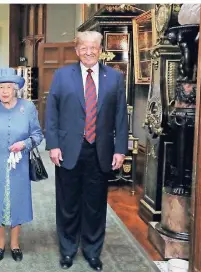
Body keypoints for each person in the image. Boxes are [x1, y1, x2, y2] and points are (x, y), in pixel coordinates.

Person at [44, 31, 128, 271]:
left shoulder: (114, 78)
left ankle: (92, 251)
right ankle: (68, 250)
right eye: (83, 47)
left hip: (100, 151)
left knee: (95, 204)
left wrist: (120, 149)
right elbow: (52, 113)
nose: (88, 51)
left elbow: (121, 116)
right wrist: (53, 145)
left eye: (93, 47)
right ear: (77, 50)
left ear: (100, 49)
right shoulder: (62, 76)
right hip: (69, 149)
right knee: (67, 203)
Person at [0, 68, 43, 262]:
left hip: (19, 165)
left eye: (9, 87)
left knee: (17, 201)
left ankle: (14, 243)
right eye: (1, 87)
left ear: (15, 89)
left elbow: (38, 135)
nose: (5, 91)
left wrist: (25, 144)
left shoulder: (28, 107)